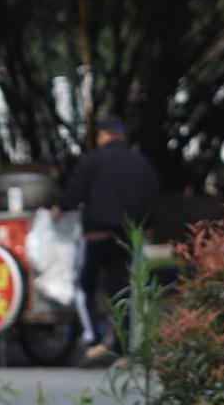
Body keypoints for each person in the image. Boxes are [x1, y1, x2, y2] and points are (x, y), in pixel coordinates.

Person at [58, 115, 159, 363]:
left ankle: (93, 340)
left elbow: (75, 192)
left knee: (85, 285)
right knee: (121, 289)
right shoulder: (140, 163)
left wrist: (59, 207)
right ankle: (122, 348)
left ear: (103, 135)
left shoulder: (92, 160)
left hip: (95, 234)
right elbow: (151, 197)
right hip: (126, 236)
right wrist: (148, 226)